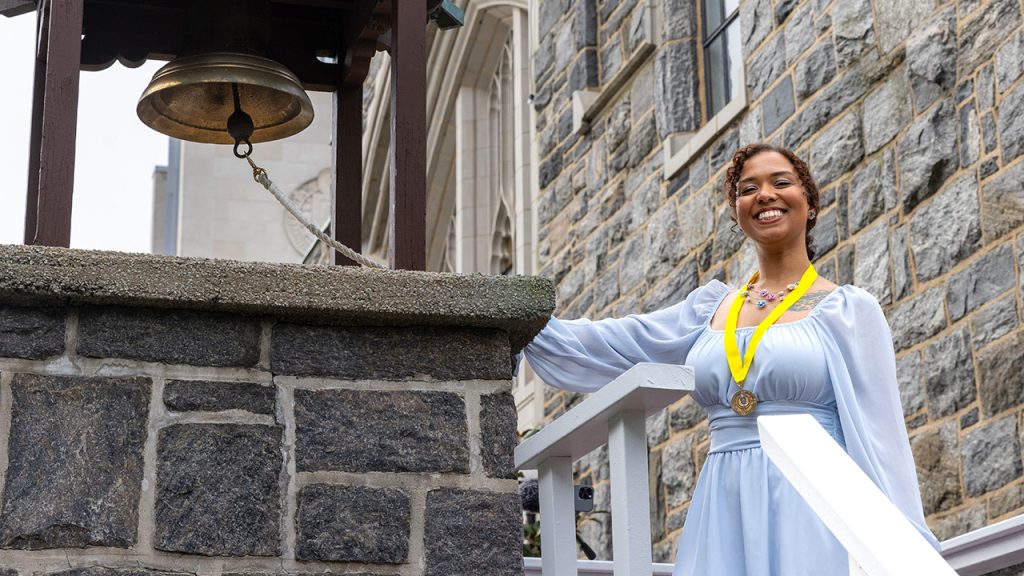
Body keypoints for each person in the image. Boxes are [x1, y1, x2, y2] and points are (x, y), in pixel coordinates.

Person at [522, 143, 939, 575]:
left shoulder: (848, 311)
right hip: (723, 497)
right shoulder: (708, 310)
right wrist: (523, 326)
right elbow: (620, 341)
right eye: (748, 188)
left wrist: (907, 547)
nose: (765, 195)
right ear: (737, 212)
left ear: (810, 204)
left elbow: (881, 434)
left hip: (812, 494)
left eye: (781, 182)